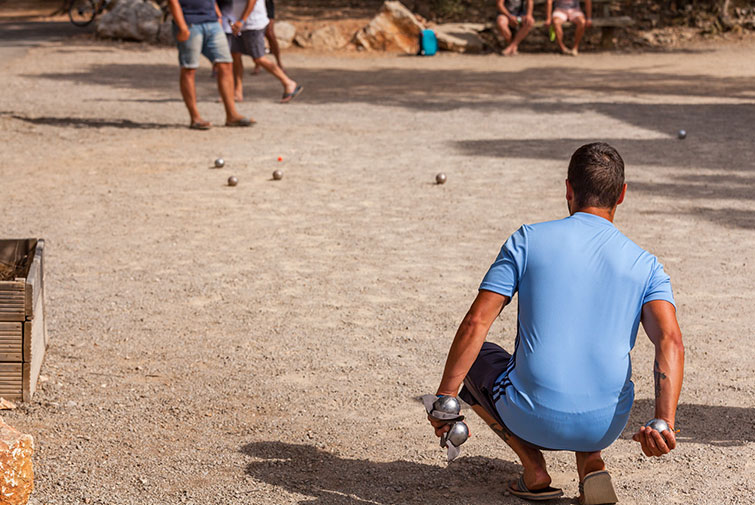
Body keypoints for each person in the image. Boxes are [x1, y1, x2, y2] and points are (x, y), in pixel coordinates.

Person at [428, 143, 684, 504]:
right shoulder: (647, 265)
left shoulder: (527, 240)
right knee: (592, 370)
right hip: (605, 425)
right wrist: (664, 422)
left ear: (568, 189)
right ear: (622, 195)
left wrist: (445, 399)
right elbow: (670, 341)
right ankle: (591, 461)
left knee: (479, 356)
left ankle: (533, 467)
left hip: (531, 417)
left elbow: (475, 322)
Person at [166, 0, 253, 129]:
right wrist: (182, 26)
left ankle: (232, 115)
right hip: (189, 23)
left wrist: (217, 15)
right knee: (189, 69)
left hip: (212, 22)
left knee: (226, 64)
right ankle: (195, 118)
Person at [221, 0, 302, 103]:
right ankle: (237, 92)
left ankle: (288, 83)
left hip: (252, 23)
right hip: (236, 22)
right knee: (235, 55)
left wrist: (242, 20)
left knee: (259, 58)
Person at [253, 0, 283, 73]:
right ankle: (258, 64)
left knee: (270, 33)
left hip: (267, 4)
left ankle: (279, 63)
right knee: (258, 35)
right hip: (255, 5)